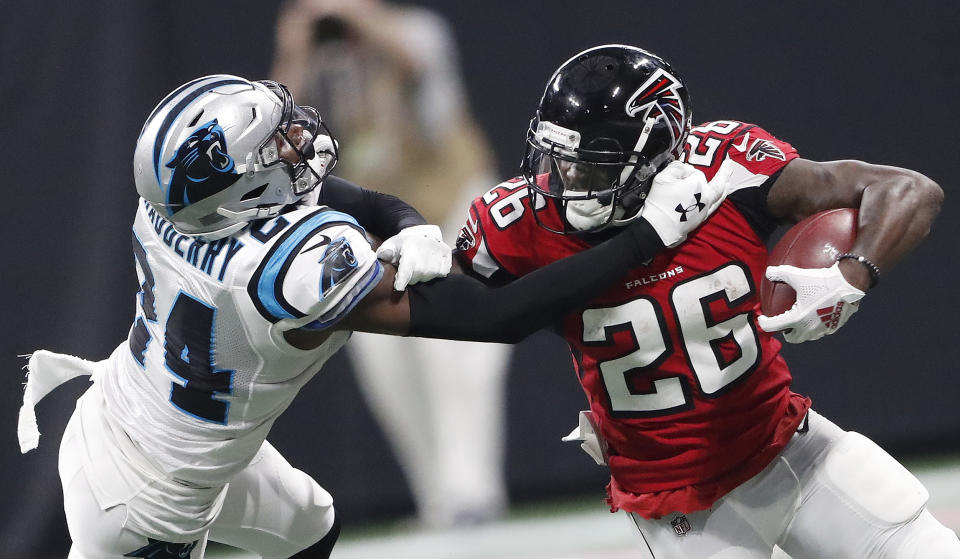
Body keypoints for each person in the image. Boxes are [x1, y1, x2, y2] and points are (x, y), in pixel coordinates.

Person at [17, 74, 724, 558]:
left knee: (310, 526)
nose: (296, 138)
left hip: (119, 417)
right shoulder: (290, 270)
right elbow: (497, 316)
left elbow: (351, 195)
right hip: (151, 499)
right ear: (241, 186)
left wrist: (412, 222)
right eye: (274, 144)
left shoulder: (173, 203)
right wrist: (646, 237)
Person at [452, 45, 960, 558]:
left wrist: (850, 277)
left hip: (789, 446)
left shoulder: (725, 167)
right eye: (560, 162)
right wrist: (412, 246)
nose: (568, 182)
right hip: (680, 501)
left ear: (655, 155)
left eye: (594, 166)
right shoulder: (515, 223)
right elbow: (456, 309)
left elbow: (908, 189)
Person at [271, 0, 511, 528]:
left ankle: (473, 494)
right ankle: (437, 499)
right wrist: (296, 50)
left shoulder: (416, 30)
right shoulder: (319, 62)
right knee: (388, 371)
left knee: (459, 361)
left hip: (449, 206)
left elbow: (416, 69)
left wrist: (358, 18)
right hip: (377, 228)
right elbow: (274, 134)